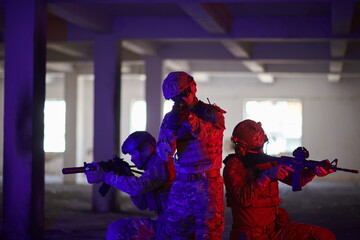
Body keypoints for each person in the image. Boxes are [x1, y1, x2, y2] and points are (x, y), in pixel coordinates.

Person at [223, 119, 336, 240]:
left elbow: (295, 181)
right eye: (256, 150)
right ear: (242, 148)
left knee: (322, 236)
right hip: (251, 236)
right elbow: (244, 199)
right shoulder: (234, 166)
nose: (261, 153)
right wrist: (266, 176)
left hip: (275, 231)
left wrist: (312, 171)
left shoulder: (267, 162)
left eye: (261, 148)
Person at [156, 71, 226, 239]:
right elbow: (164, 154)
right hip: (182, 184)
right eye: (175, 98)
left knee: (208, 234)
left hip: (207, 185)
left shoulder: (211, 113)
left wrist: (189, 119)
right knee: (176, 233)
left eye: (183, 94)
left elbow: (210, 136)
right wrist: (171, 129)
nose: (181, 100)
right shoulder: (170, 118)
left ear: (193, 87)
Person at [85, 131, 175, 240]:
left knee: (118, 230)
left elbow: (137, 187)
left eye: (134, 153)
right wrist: (127, 174)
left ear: (146, 148)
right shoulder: (152, 168)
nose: (132, 159)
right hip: (168, 223)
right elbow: (142, 204)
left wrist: (105, 176)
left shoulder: (162, 163)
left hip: (176, 226)